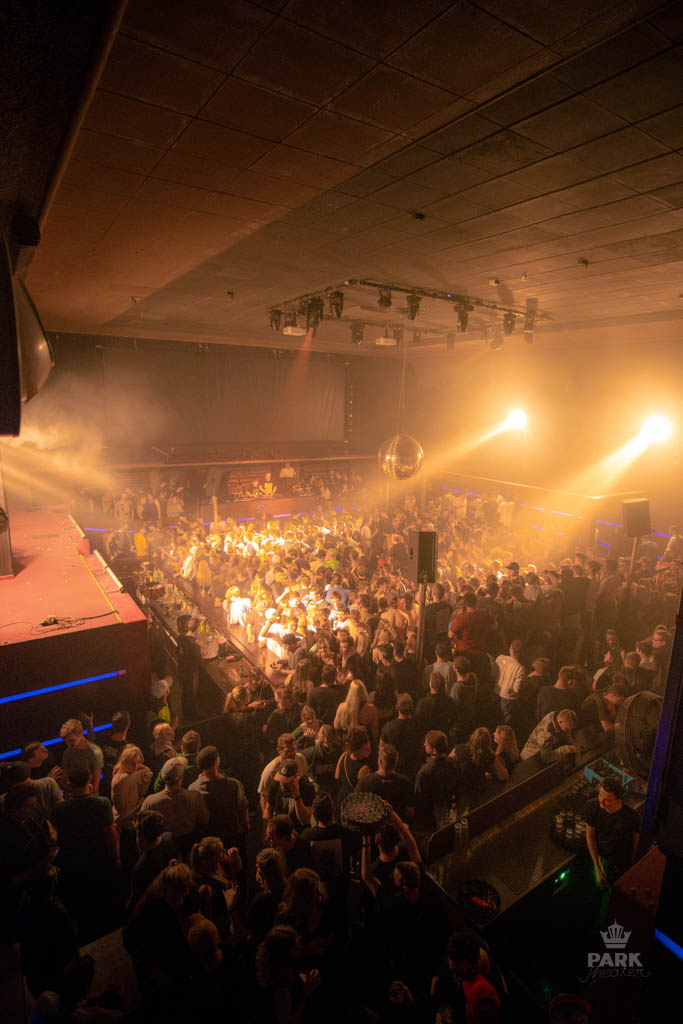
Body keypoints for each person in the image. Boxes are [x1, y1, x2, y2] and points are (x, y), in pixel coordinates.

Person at [140, 756, 209, 857]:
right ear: (181, 777)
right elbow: (204, 821)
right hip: (188, 849)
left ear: (162, 777)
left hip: (161, 852)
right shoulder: (195, 797)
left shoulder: (150, 801)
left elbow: (142, 830)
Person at [189, 745, 249, 851]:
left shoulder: (193, 789)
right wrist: (245, 827)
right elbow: (242, 807)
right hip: (231, 837)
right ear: (216, 761)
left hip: (208, 842)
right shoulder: (233, 784)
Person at [585, 775, 640, 888]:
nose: (601, 801)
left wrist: (632, 861)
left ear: (618, 801)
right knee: (603, 887)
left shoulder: (631, 816)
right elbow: (590, 836)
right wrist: (598, 868)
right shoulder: (592, 807)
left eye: (607, 800)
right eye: (600, 795)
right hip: (603, 858)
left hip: (622, 860)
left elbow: (635, 839)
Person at [449, 592, 496, 689]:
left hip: (464, 654)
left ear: (465, 604)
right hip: (480, 653)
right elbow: (495, 627)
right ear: (476, 602)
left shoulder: (461, 618)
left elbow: (450, 635)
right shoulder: (484, 614)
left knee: (465, 682)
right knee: (479, 681)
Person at [354, 742, 414, 818]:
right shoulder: (404, 782)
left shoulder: (365, 781)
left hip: (372, 824)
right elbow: (410, 812)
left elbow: (355, 808)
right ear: (396, 761)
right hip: (396, 824)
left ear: (379, 761)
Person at [414, 730, 460, 829]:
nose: (424, 744)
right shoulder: (454, 763)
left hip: (431, 817)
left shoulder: (424, 772)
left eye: (427, 743)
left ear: (434, 750)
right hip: (452, 808)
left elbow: (419, 797)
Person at [380, 693, 424, 781]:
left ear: (397, 707)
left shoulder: (388, 727)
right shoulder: (420, 725)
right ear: (412, 707)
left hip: (395, 770)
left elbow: (381, 749)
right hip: (415, 769)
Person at [59, 718, 104, 794]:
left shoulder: (95, 753)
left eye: (72, 740)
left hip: (88, 797)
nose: (69, 745)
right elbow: (63, 781)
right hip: (72, 797)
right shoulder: (68, 751)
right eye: (66, 742)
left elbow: (95, 787)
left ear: (81, 733)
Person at [335, 726, 373, 804]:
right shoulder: (364, 769)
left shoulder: (344, 755)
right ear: (356, 751)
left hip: (342, 798)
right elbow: (363, 793)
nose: (370, 751)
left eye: (370, 748)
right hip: (353, 803)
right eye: (366, 750)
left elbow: (337, 776)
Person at [334, 679, 378, 745]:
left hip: (347, 745)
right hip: (364, 746)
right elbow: (375, 732)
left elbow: (336, 726)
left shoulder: (342, 707)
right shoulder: (370, 709)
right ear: (364, 691)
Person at [494, 641, 526, 728]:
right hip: (508, 699)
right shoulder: (520, 668)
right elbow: (516, 689)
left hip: (496, 693)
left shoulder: (500, 658)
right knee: (504, 724)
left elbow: (493, 674)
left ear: (511, 649)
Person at [176, 615, 202, 719]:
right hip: (190, 674)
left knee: (184, 694)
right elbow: (199, 662)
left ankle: (185, 712)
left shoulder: (181, 638)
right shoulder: (194, 646)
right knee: (190, 694)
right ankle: (191, 715)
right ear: (197, 629)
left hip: (181, 670)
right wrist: (201, 651)